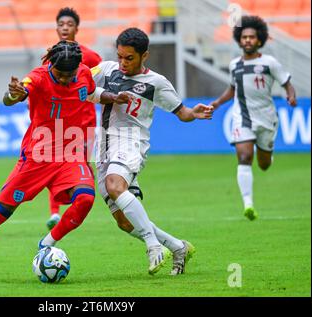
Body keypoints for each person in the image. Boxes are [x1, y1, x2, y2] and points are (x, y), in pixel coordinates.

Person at [0, 41, 130, 280]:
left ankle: (46, 245)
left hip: (70, 153)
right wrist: (13, 94)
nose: (64, 80)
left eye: (69, 75)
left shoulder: (81, 73)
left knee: (85, 199)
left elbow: (91, 92)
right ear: (51, 65)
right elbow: (12, 97)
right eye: (60, 75)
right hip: (37, 157)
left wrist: (113, 96)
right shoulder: (37, 78)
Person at [92, 28, 214, 275]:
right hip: (103, 146)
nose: (123, 63)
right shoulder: (106, 70)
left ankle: (153, 246)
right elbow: (81, 85)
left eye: (129, 58)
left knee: (116, 186)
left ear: (144, 55)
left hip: (131, 142)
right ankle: (177, 246)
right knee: (124, 222)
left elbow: (181, 112)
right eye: (120, 57)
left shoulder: (156, 83)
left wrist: (194, 113)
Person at [210, 16, 297, 221]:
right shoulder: (234, 65)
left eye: (252, 37)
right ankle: (248, 204)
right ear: (239, 40)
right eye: (244, 37)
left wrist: (291, 95)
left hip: (266, 118)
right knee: (244, 156)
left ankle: (267, 153)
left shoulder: (269, 63)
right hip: (243, 117)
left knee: (264, 164)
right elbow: (233, 88)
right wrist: (218, 103)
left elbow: (286, 83)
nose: (248, 40)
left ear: (260, 40)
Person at [45, 7, 103, 230]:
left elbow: (100, 83)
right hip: (59, 123)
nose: (65, 28)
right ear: (57, 28)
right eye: (61, 24)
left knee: (80, 165)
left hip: (85, 123)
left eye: (69, 24)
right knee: (53, 164)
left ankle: (78, 203)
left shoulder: (89, 56)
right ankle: (55, 213)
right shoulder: (52, 55)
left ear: (77, 28)